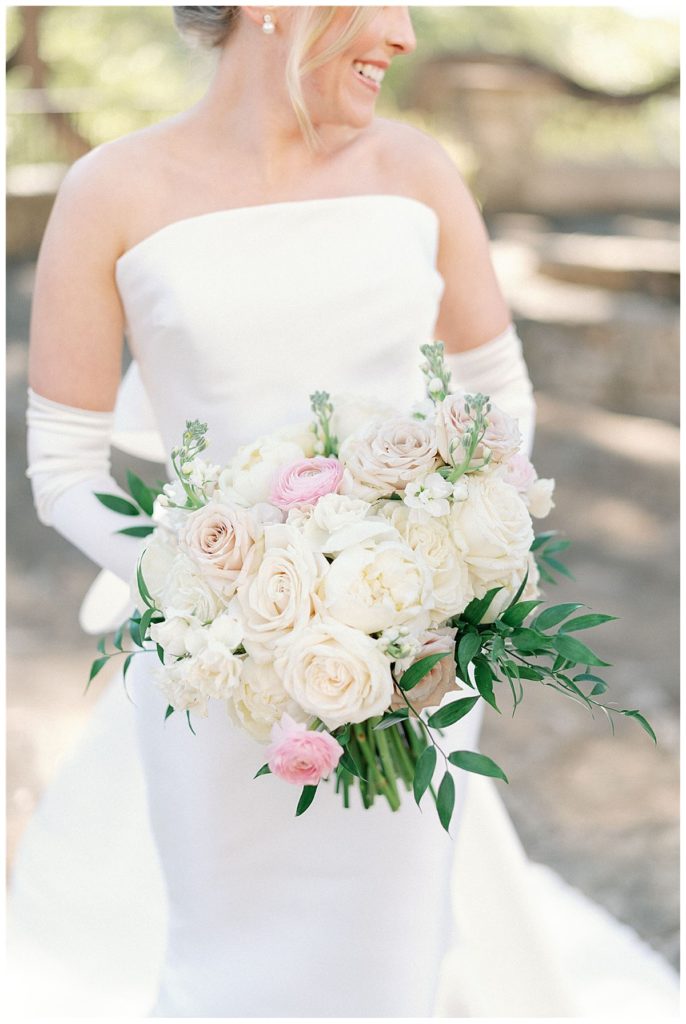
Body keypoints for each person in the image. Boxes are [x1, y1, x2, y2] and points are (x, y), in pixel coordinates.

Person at [14, 6, 679, 1018]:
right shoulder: (115, 190)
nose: (404, 34)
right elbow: (61, 465)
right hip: (216, 693)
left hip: (402, 666)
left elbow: (497, 394)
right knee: (225, 966)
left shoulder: (413, 172)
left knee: (390, 960)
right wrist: (211, 599)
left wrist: (445, 564)